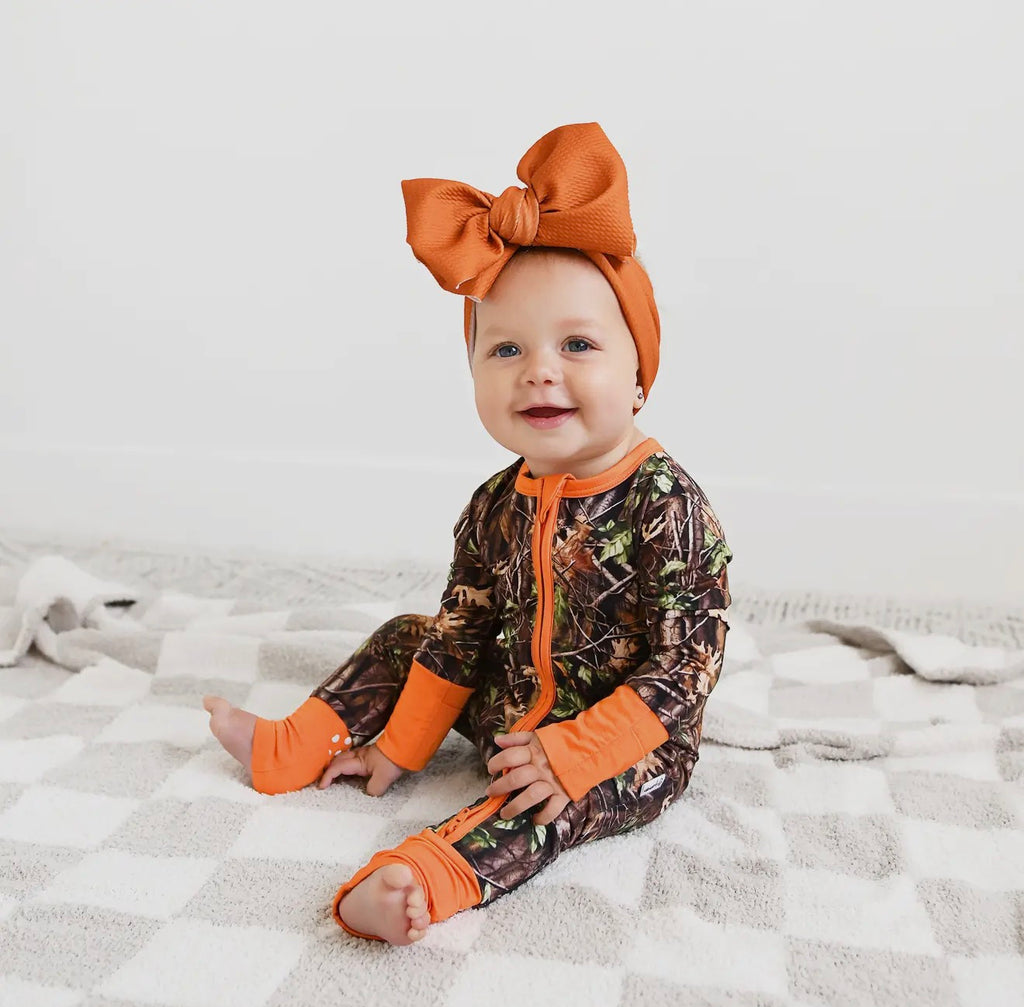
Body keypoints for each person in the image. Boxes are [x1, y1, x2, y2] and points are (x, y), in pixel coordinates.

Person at [203, 121, 733, 946]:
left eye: (578, 344)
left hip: (624, 749)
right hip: (509, 708)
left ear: (639, 378)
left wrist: (573, 754)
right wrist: (400, 750)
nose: (539, 369)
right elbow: (461, 637)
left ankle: (427, 877)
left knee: (543, 804)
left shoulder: (666, 504)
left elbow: (685, 669)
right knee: (409, 635)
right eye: (506, 348)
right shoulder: (494, 503)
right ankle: (297, 745)